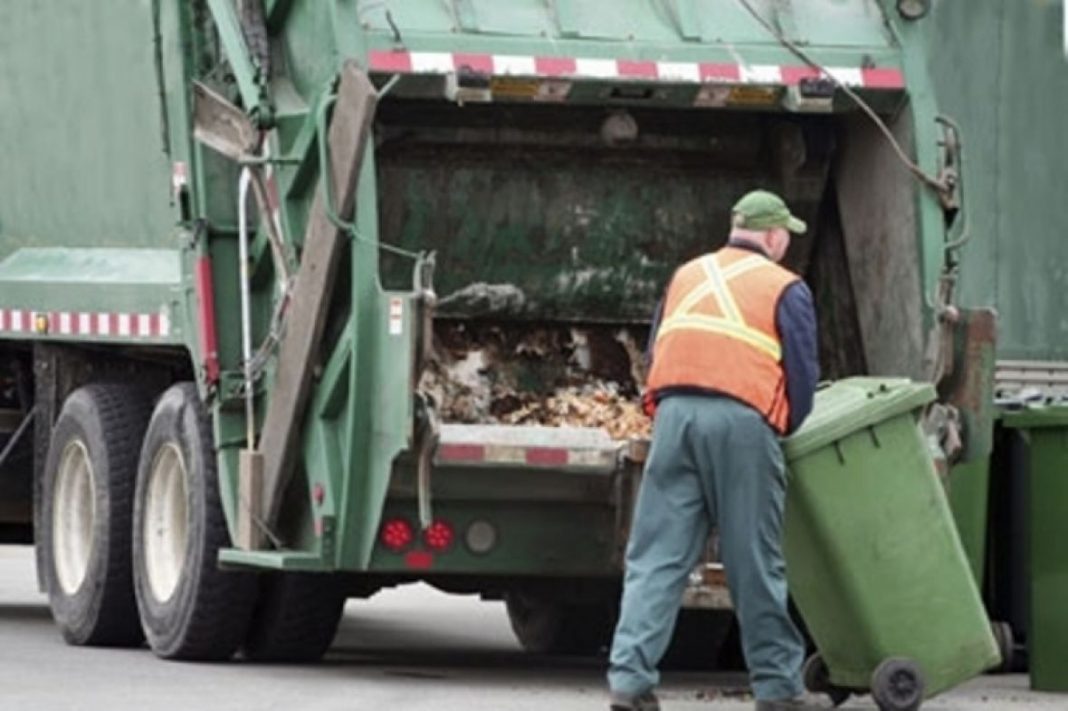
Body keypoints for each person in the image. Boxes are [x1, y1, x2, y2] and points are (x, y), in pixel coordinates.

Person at [607, 190, 820, 711]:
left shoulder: (687, 275)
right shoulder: (785, 286)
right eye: (786, 234)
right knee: (754, 561)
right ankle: (778, 688)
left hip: (675, 417)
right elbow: (802, 373)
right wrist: (784, 425)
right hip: (741, 424)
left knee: (656, 558)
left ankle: (630, 683)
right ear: (772, 236)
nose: (787, 242)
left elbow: (657, 348)